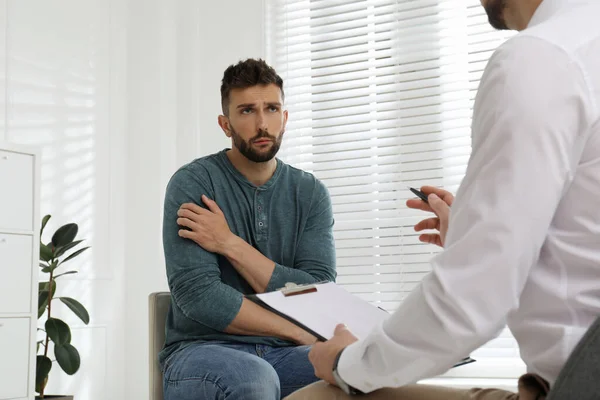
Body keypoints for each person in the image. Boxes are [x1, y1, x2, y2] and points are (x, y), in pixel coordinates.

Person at [290, 0, 600, 399]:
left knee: (317, 396)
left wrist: (345, 363)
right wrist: (474, 234)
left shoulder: (542, 58)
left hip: (575, 388)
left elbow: (467, 306)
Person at [159, 58, 337, 400]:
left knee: (356, 372)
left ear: (284, 118)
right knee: (252, 379)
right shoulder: (193, 182)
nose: (261, 123)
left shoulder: (310, 192)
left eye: (271, 109)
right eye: (246, 111)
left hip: (281, 354)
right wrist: (296, 331)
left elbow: (319, 292)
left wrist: (228, 244)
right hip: (201, 351)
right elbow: (201, 297)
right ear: (225, 124)